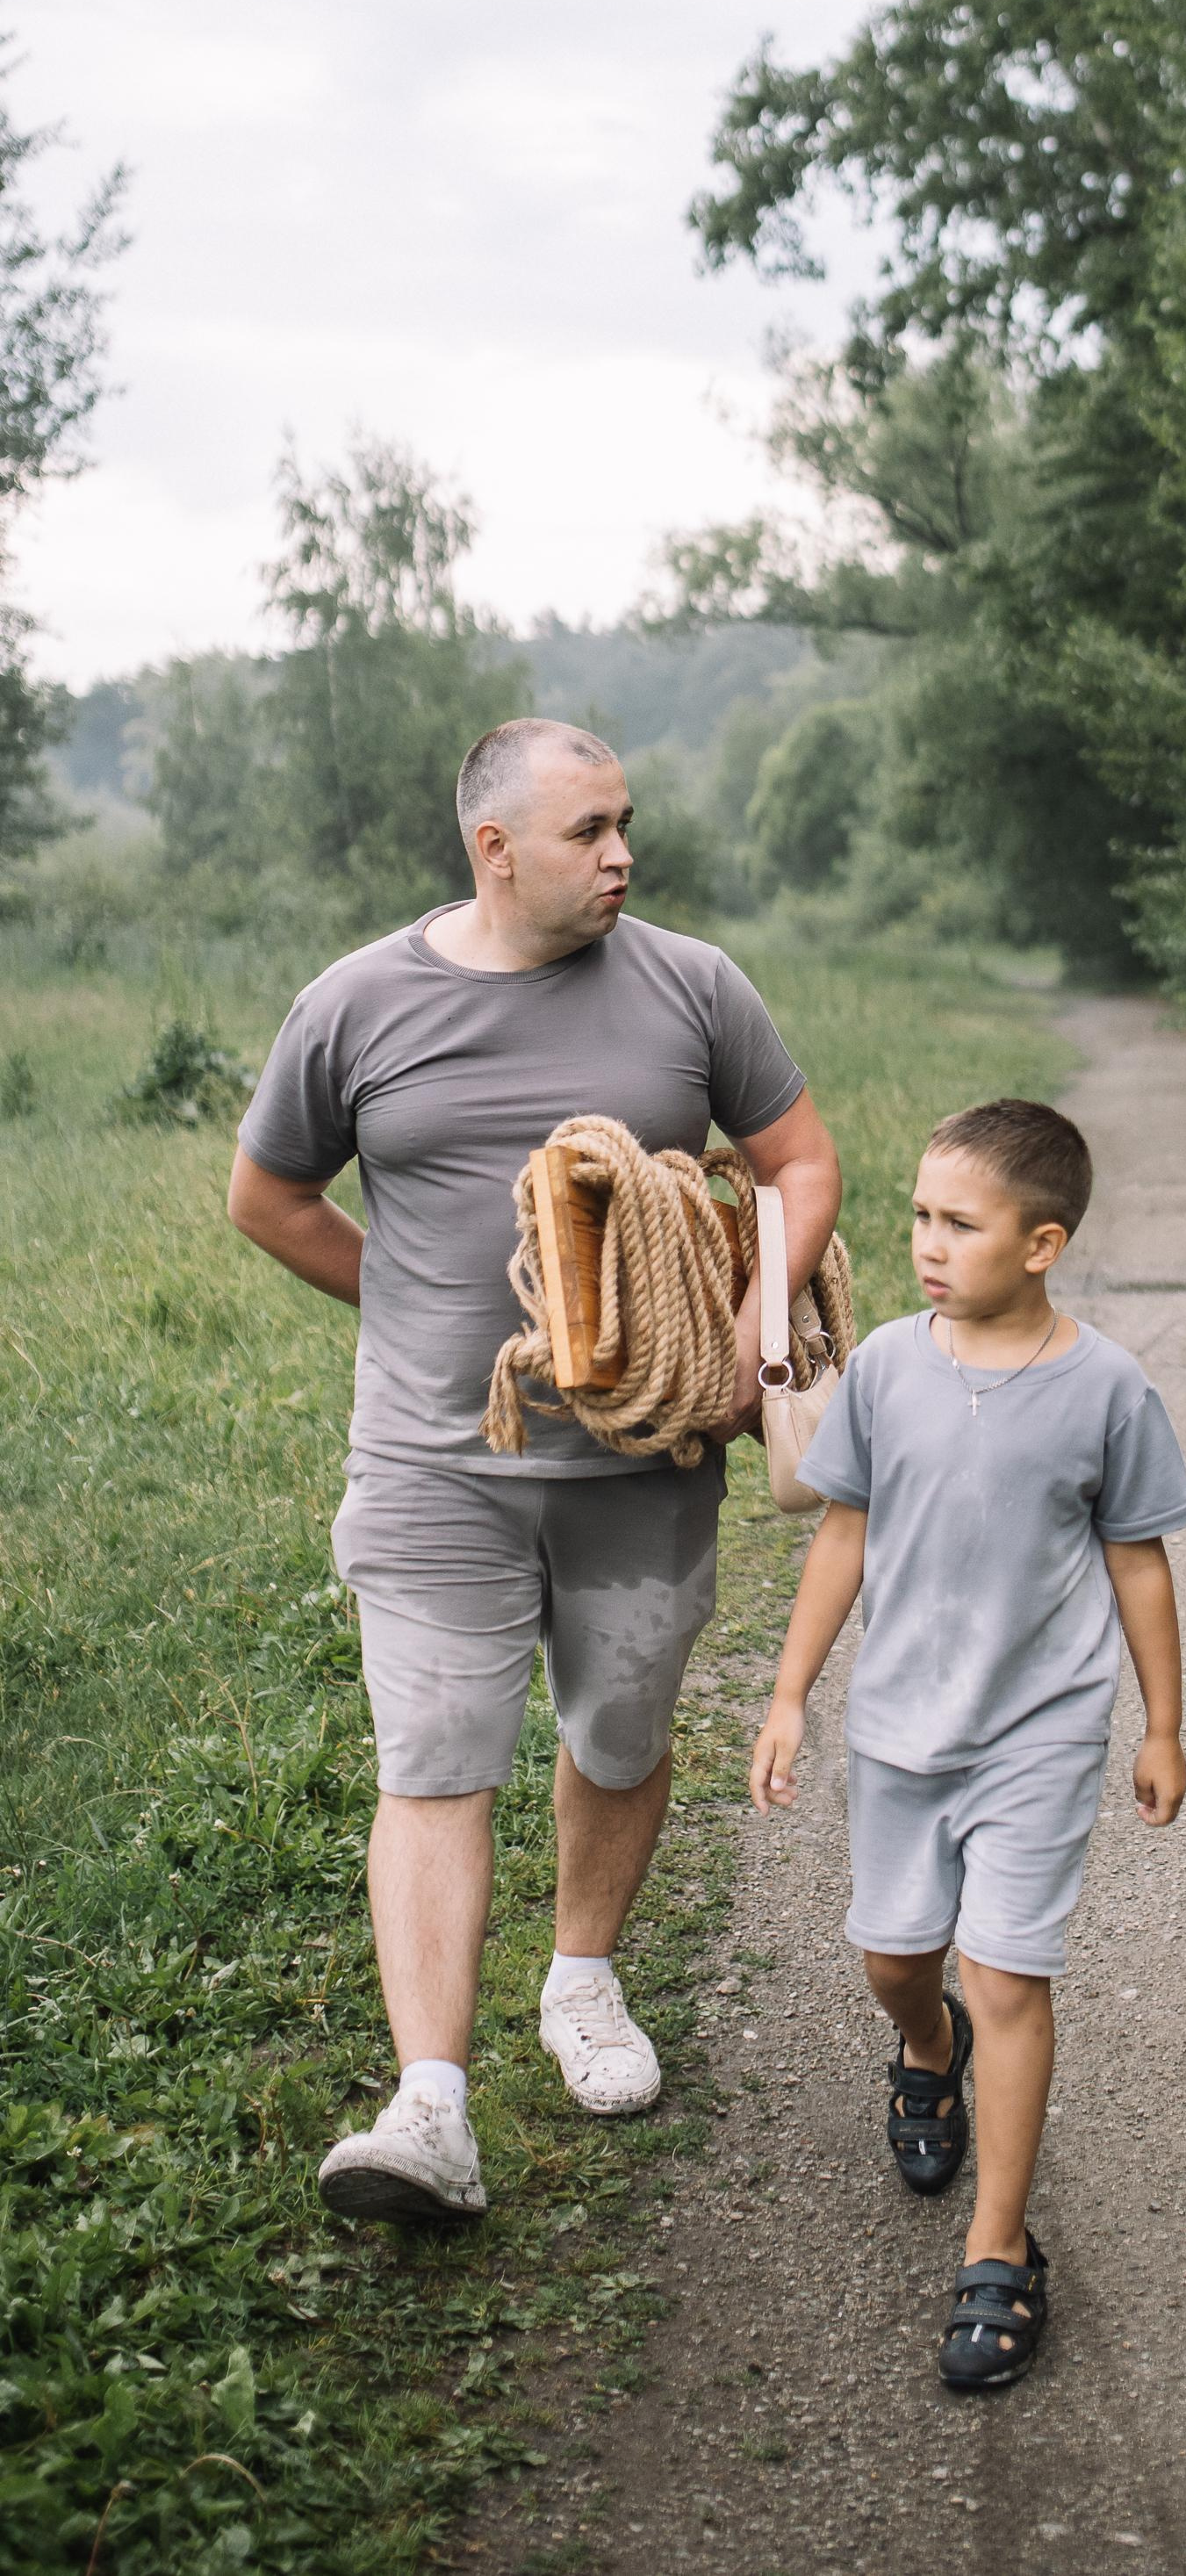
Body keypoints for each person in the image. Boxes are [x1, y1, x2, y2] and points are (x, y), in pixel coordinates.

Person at [227, 718, 841, 2226]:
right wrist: (428, 1316)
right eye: (588, 830)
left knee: (619, 1732)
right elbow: (270, 1196)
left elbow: (798, 1164)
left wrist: (751, 1346)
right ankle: (428, 2104)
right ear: (492, 849)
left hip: (647, 1465)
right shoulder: (358, 1002)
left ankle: (581, 1979)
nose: (622, 851)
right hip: (437, 1470)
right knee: (434, 1758)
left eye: (626, 822)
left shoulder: (694, 987)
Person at [749, 1099, 1186, 2390]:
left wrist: (1161, 1723)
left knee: (1007, 1976)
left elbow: (1139, 1562)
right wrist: (788, 1697)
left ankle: (999, 2250)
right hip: (897, 1730)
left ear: (1041, 1241)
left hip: (1037, 1735)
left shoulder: (1104, 1386)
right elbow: (842, 1535)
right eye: (917, 1219)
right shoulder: (886, 1363)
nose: (926, 1245)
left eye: (959, 1223)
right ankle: (923, 2046)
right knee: (897, 1962)